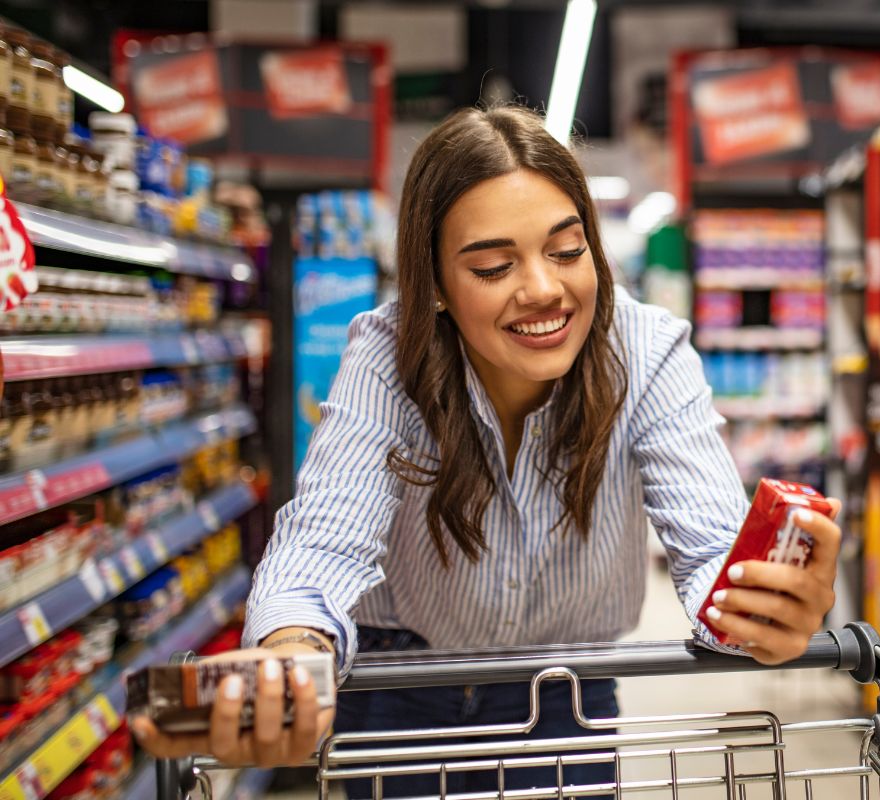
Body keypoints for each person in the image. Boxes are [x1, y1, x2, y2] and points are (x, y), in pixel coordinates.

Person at [131, 105, 842, 798]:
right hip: (395, 689)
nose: (543, 289)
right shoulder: (388, 355)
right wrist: (291, 651)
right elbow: (325, 538)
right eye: (494, 266)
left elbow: (712, 539)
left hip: (563, 694)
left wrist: (759, 605)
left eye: (567, 251)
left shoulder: (648, 352)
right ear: (435, 284)